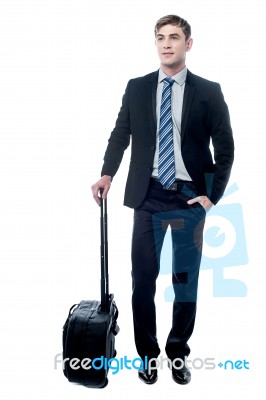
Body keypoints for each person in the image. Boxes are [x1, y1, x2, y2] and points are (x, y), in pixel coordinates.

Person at [91, 14, 234, 385]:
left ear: (188, 44)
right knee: (143, 280)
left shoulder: (209, 91)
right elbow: (120, 134)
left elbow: (226, 148)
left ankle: (178, 352)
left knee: (185, 282)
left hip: (189, 198)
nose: (166, 43)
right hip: (148, 195)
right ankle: (148, 355)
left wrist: (211, 196)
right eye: (160, 38)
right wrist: (107, 173)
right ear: (156, 44)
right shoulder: (137, 88)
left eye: (173, 37)